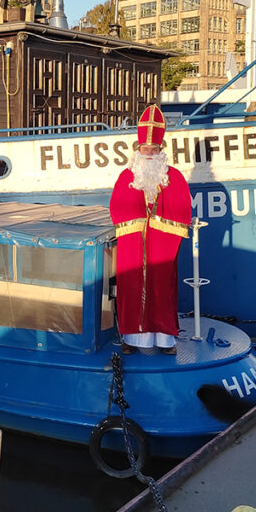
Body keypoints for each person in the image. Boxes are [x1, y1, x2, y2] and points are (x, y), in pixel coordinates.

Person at [109, 105, 191, 355]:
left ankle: (165, 340)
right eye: (145, 149)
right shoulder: (127, 176)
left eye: (154, 150)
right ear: (138, 150)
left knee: (162, 289)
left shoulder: (174, 177)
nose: (149, 153)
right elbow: (117, 207)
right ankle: (131, 339)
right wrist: (139, 223)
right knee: (130, 289)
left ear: (160, 151)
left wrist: (156, 224)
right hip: (133, 243)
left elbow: (182, 208)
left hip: (161, 244)